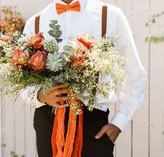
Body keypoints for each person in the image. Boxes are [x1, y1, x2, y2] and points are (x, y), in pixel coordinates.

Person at [20, 0, 147, 156]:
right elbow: (22, 79)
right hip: (48, 123)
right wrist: (40, 95)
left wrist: (119, 122)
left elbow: (135, 74)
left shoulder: (110, 16)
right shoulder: (36, 22)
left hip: (93, 124)